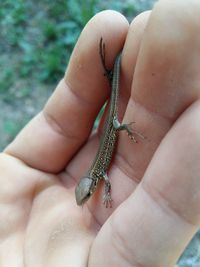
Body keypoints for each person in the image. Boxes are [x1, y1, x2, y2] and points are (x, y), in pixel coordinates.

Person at [1, 0, 200, 266]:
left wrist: (123, 132)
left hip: (115, 127)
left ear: (90, 185)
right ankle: (113, 71)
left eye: (85, 194)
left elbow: (106, 176)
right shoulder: (95, 174)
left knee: (118, 100)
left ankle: (115, 71)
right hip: (112, 128)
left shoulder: (99, 175)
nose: (84, 199)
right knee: (116, 91)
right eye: (85, 195)